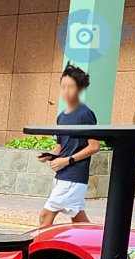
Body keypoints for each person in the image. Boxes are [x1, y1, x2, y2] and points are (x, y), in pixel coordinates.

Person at [39, 64, 101, 227]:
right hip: (62, 175)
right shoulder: (61, 117)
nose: (66, 91)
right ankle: (99, 248)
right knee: (79, 221)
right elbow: (60, 146)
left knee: (45, 216)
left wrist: (68, 160)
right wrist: (49, 156)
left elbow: (94, 146)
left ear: (79, 88)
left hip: (73, 175)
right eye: (63, 86)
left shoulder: (85, 114)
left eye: (71, 87)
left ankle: (41, 253)